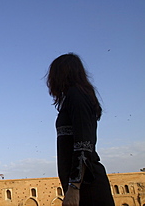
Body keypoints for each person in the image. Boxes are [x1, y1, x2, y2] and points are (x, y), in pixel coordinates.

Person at [46, 53, 115, 206]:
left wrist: (74, 187)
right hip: (82, 187)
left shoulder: (77, 95)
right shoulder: (72, 97)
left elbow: (83, 144)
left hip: (88, 188)